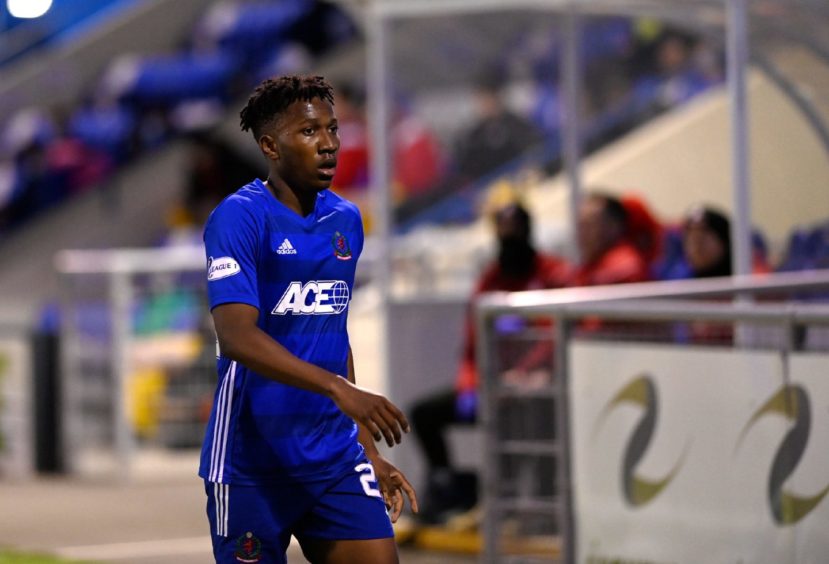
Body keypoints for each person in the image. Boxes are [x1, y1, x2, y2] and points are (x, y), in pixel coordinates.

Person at [200, 75, 417, 564]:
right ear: (270, 146)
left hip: (334, 458)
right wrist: (339, 390)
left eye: (333, 130)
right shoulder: (239, 218)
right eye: (309, 132)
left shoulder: (346, 220)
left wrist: (366, 449)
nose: (328, 145)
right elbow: (235, 337)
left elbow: (333, 336)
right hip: (251, 463)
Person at [410, 202, 570, 523]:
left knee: (531, 424)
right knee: (423, 413)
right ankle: (449, 488)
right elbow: (472, 343)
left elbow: (555, 334)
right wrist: (470, 385)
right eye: (502, 231)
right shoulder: (489, 279)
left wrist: (524, 373)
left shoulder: (553, 273)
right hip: (492, 385)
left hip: (539, 388)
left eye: (515, 230)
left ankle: (536, 506)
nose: (509, 238)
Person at [570, 191, 651, 286]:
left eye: (589, 225)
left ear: (613, 227)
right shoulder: (593, 266)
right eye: (580, 226)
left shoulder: (623, 268)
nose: (581, 233)